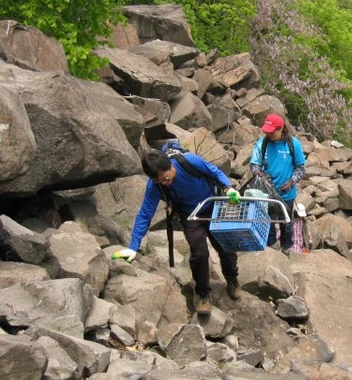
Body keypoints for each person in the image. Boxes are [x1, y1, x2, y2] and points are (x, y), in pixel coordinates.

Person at [112, 149, 241, 315]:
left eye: (166, 177)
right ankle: (203, 294)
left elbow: (214, 171)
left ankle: (232, 279)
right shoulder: (155, 186)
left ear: (170, 166)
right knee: (199, 252)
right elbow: (145, 213)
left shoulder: (189, 162)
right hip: (190, 215)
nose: (164, 183)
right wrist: (133, 246)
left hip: (213, 206)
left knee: (226, 246)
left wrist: (228, 188)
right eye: (159, 181)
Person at [249, 114, 306, 255]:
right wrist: (257, 172)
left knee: (285, 222)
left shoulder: (293, 144)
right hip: (265, 193)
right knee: (266, 221)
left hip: (286, 193)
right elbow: (254, 163)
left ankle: (286, 250)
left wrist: (292, 181)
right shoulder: (262, 143)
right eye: (266, 131)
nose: (268, 133)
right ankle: (270, 249)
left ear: (281, 129)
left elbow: (301, 167)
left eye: (272, 131)